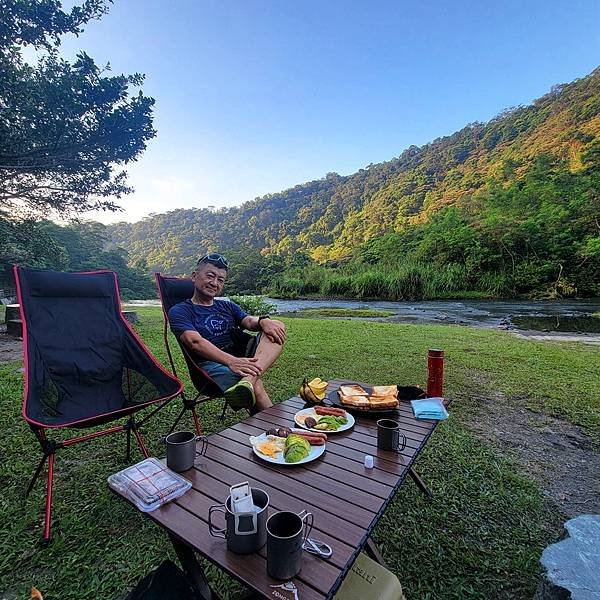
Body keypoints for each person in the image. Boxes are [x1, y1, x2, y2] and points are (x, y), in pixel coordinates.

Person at [168, 253, 286, 412]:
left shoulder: (226, 305)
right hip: (209, 367)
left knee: (276, 325)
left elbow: (249, 321)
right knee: (255, 387)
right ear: (194, 276)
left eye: (220, 280)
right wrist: (231, 361)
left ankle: (248, 380)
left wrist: (263, 320)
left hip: (240, 356)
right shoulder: (180, 310)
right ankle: (277, 432)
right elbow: (194, 342)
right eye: (210, 276)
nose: (214, 283)